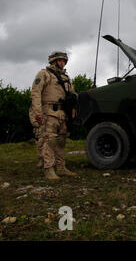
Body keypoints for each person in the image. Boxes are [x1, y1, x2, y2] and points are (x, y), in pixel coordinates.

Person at [30, 51, 77, 180]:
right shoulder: (44, 74)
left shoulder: (66, 78)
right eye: (60, 60)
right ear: (53, 61)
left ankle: (61, 167)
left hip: (63, 113)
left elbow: (72, 95)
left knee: (61, 141)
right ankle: (49, 169)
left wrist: (72, 110)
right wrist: (37, 112)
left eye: (64, 61)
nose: (62, 63)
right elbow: (35, 93)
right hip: (48, 111)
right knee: (49, 140)